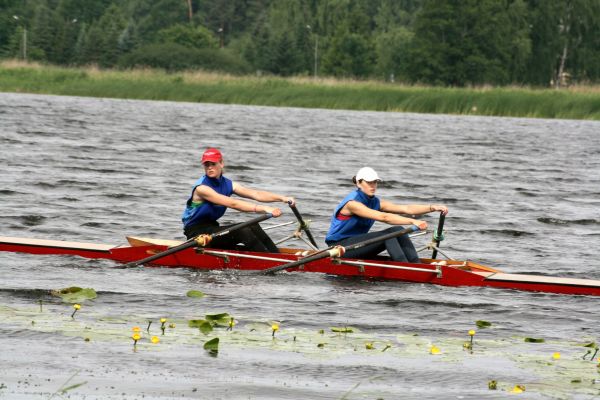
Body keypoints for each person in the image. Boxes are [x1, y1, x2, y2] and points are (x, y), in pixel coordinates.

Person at [325, 167, 448, 263]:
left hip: (357, 245)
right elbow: (384, 217)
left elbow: (406, 208)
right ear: (358, 183)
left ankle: (415, 264)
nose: (373, 186)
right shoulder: (352, 204)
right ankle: (404, 267)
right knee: (388, 236)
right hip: (339, 248)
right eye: (369, 182)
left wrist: (432, 207)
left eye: (375, 182)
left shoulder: (375, 202)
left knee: (398, 230)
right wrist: (412, 222)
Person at [182, 148, 294, 253]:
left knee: (253, 225)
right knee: (242, 230)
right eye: (207, 165)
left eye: (213, 164)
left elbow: (256, 194)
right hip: (197, 234)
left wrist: (283, 198)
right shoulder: (202, 188)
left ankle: (276, 256)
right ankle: (270, 262)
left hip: (212, 228)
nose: (210, 167)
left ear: (221, 163)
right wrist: (265, 208)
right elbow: (233, 204)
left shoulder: (229, 184)